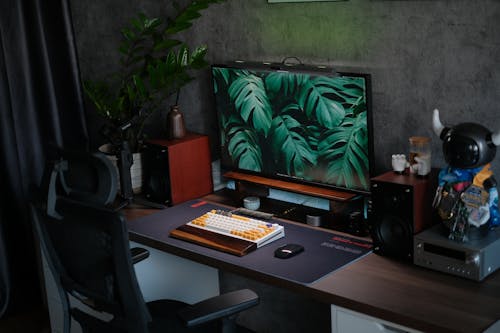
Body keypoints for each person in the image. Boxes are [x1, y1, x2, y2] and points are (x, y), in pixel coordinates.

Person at [432, 109, 500, 241]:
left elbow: (492, 196)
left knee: (477, 220)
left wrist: (489, 206)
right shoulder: (447, 174)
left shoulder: (483, 176)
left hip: (476, 216)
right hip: (450, 212)